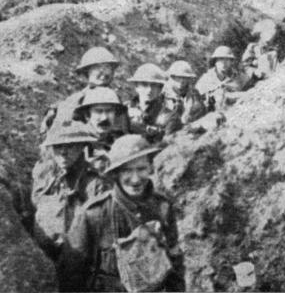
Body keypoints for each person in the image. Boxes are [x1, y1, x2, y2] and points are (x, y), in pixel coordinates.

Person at [58, 135, 185, 292]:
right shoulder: (94, 213)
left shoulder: (162, 207)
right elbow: (71, 274)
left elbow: (175, 262)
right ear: (115, 173)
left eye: (141, 169)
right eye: (127, 170)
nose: (135, 179)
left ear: (150, 168)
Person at [31, 119, 107, 262]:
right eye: (58, 146)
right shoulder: (43, 175)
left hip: (78, 259)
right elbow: (35, 204)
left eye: (70, 146)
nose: (63, 152)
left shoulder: (93, 182)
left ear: (81, 147)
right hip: (44, 254)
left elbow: (98, 229)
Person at [41, 46, 121, 134]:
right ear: (86, 71)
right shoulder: (75, 100)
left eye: (107, 67)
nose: (103, 72)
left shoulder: (116, 98)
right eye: (97, 67)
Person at [196, 46, 250, 113]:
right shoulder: (206, 79)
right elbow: (198, 98)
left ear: (231, 61)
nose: (224, 62)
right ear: (215, 61)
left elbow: (252, 91)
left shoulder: (239, 77)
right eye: (221, 59)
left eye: (227, 59)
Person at [127, 63, 173, 142]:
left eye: (154, 85)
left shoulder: (167, 113)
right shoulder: (125, 109)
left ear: (160, 88)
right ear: (136, 87)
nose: (149, 90)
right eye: (144, 85)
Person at [162, 60, 206, 126]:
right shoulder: (163, 95)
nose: (181, 81)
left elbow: (201, 113)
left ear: (188, 79)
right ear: (172, 77)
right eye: (178, 77)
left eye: (184, 77)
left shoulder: (194, 93)